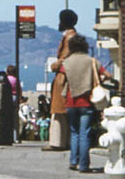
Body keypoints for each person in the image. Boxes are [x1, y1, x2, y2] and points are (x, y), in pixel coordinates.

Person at [59, 35, 111, 172]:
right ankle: (83, 165)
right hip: (87, 102)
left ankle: (73, 161)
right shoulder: (91, 61)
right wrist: (99, 80)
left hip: (71, 101)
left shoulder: (67, 62)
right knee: (84, 133)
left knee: (74, 132)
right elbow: (108, 75)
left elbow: (61, 82)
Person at [43, 9, 78, 152]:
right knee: (61, 112)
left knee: (59, 111)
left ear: (64, 22)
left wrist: (54, 65)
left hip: (63, 78)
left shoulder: (69, 38)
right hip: (64, 77)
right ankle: (61, 141)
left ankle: (58, 142)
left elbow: (64, 58)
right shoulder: (70, 36)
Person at [6, 65, 22, 143]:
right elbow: (19, 90)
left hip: (8, 97)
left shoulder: (6, 79)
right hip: (15, 97)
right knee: (15, 118)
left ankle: (8, 137)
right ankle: (16, 137)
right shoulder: (16, 79)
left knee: (7, 118)